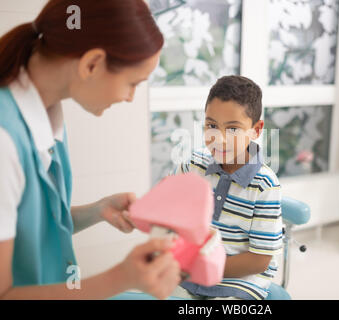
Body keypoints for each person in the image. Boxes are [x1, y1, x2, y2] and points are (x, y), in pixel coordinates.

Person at [0, 0, 181, 299]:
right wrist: (121, 278)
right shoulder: (5, 140)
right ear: (92, 64)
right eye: (133, 83)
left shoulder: (48, 115)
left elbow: (33, 230)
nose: (130, 98)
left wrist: (98, 211)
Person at [171, 75, 283, 300]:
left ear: (256, 130)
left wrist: (205, 269)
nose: (219, 139)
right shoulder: (193, 165)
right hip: (189, 271)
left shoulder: (265, 185)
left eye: (232, 129)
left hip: (239, 280)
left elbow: (259, 259)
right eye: (211, 125)